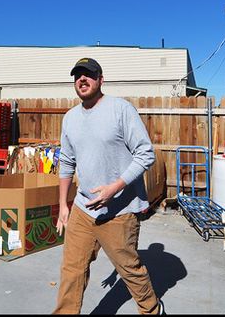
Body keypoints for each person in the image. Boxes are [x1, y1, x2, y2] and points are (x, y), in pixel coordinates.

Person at [53, 57, 165, 315]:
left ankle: (152, 310)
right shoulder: (70, 118)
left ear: (100, 80)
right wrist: (63, 205)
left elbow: (146, 153)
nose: (82, 79)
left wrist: (114, 188)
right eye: (78, 75)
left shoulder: (120, 109)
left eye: (88, 74)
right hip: (83, 208)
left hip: (119, 211)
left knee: (130, 270)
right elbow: (67, 163)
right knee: (72, 270)